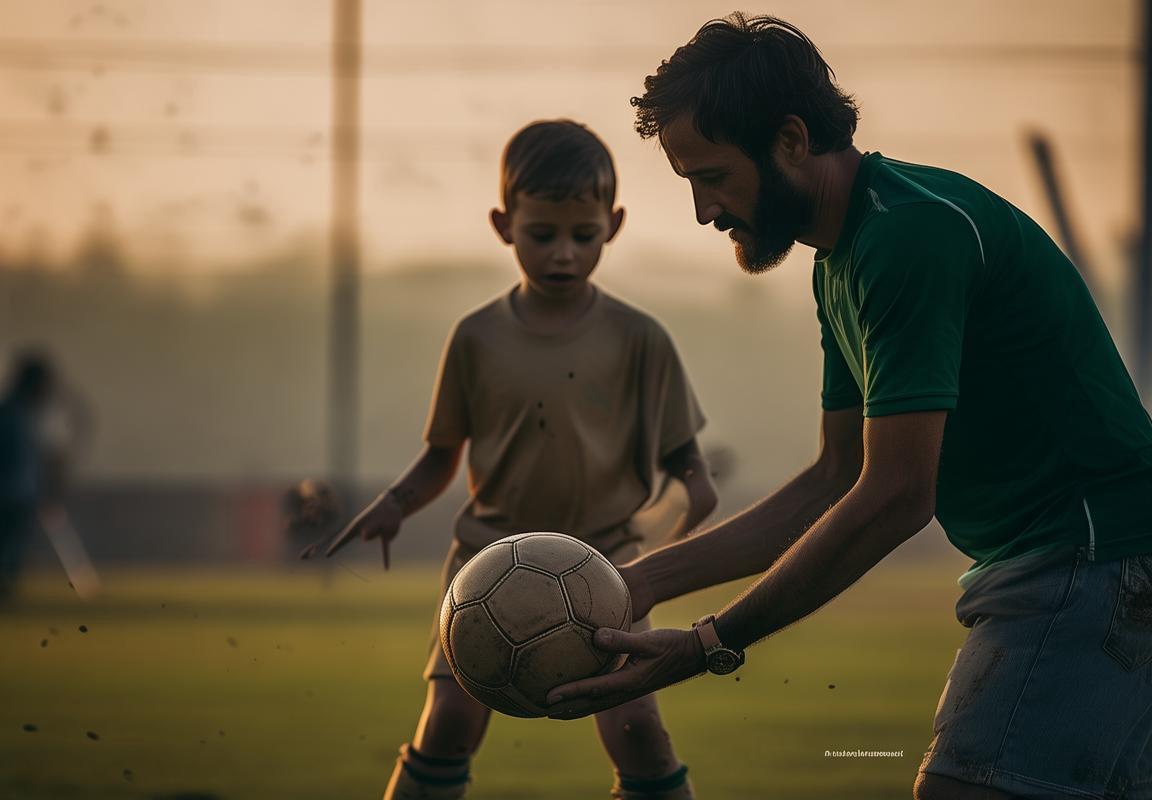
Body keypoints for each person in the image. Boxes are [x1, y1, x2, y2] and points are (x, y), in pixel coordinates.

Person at [545, 15, 1152, 800]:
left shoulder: (907, 238)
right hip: (1077, 563)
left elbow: (898, 493)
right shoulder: (845, 259)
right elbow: (836, 476)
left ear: (791, 141)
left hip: (1096, 561)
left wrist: (709, 643)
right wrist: (643, 580)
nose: (703, 211)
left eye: (712, 177)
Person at [302, 119, 718, 800]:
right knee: (449, 723)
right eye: (542, 234)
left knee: (638, 729)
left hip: (607, 570)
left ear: (612, 225)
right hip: (485, 567)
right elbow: (443, 456)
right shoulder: (476, 337)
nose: (563, 254)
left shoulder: (642, 339)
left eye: (583, 236)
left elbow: (686, 462)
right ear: (504, 224)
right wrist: (396, 504)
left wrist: (687, 507)